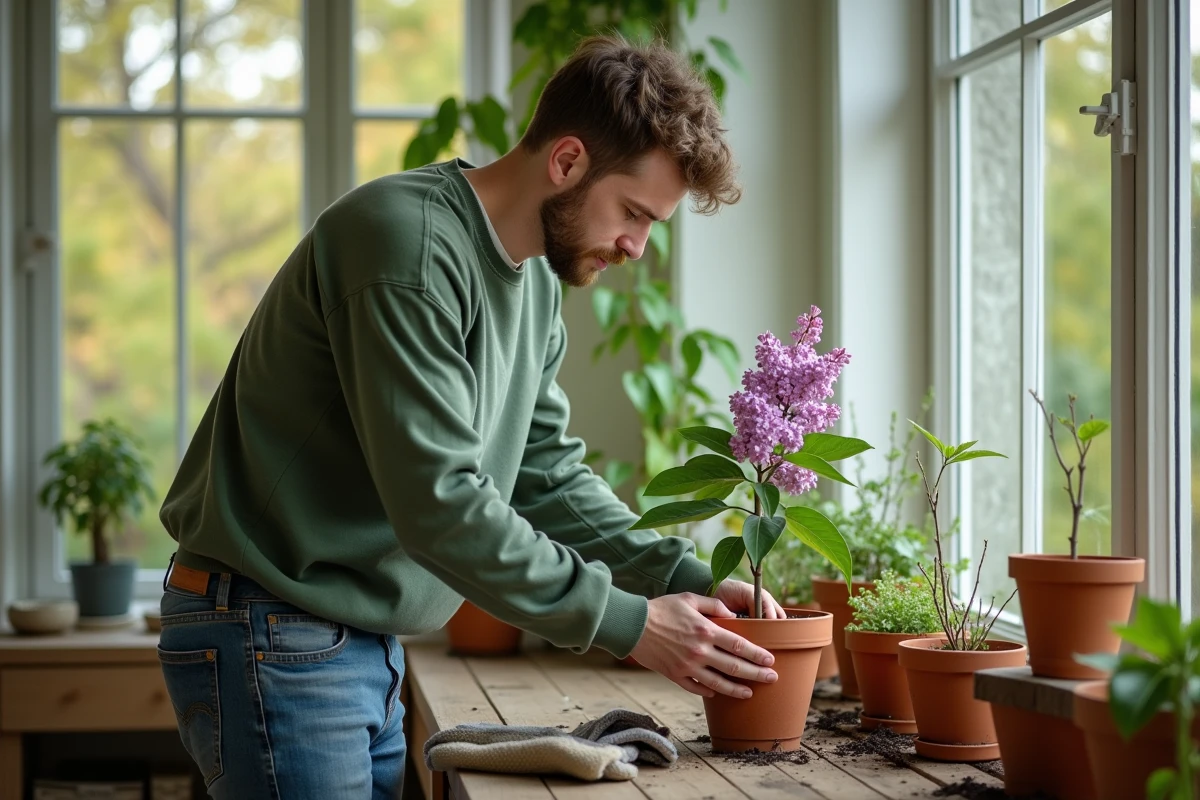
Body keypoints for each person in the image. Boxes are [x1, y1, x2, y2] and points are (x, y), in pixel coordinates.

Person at [155, 34, 784, 799]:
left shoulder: (535, 284)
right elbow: (440, 505)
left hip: (347, 635)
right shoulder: (406, 247)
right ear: (567, 161)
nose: (635, 246)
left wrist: (685, 577)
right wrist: (633, 623)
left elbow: (543, 476)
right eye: (632, 212)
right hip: (271, 625)